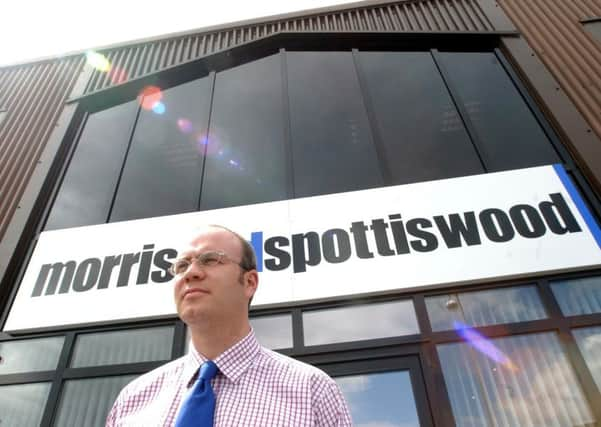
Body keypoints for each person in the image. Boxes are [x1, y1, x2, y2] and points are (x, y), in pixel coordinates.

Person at [106, 225, 353, 426]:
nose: (190, 273)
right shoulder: (133, 398)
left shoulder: (312, 391)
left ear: (249, 282)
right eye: (181, 265)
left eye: (210, 260)